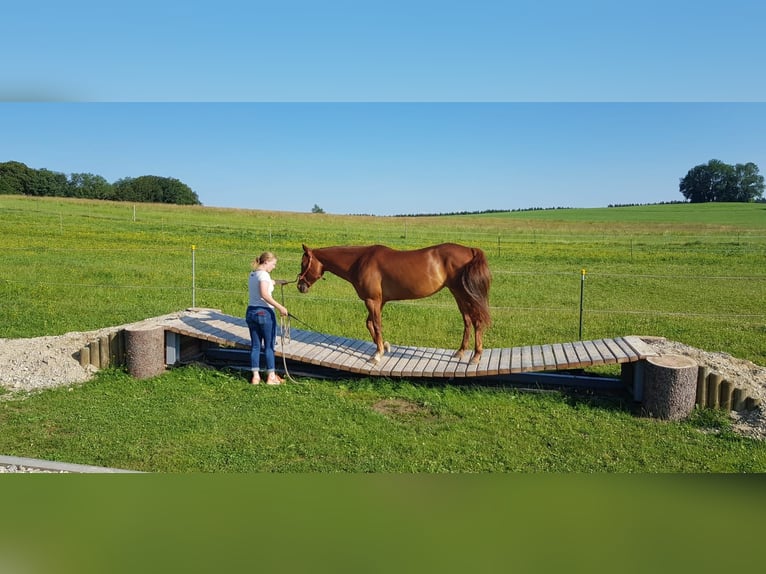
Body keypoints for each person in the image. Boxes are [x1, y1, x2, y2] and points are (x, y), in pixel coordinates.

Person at [245, 252, 288, 385]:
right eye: (273, 264)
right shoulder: (264, 275)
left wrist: (276, 282)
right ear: (266, 262)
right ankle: (271, 377)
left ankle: (256, 377)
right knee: (269, 346)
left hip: (251, 312)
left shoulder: (253, 274)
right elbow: (264, 293)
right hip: (264, 313)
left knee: (256, 346)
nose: (274, 267)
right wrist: (280, 307)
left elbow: (264, 284)